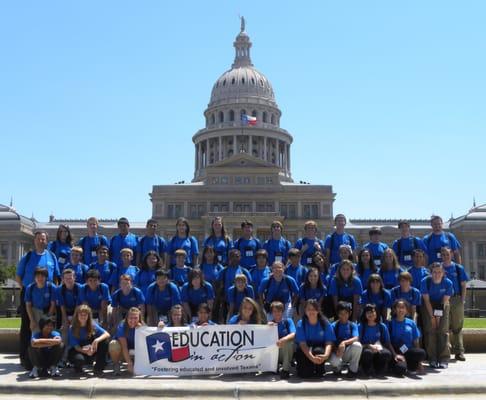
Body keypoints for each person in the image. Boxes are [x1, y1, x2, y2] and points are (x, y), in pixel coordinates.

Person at [16, 230, 60, 369]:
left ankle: (47, 359)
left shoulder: (51, 256)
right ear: (34, 240)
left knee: (48, 328)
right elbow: (18, 276)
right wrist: (27, 290)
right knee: (27, 328)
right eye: (38, 239)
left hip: (48, 299)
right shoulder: (28, 256)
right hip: (30, 297)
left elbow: (56, 277)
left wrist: (54, 292)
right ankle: (25, 358)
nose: (41, 241)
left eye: (43, 239)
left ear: (47, 241)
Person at [420, 263, 453, 369]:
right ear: (431, 273)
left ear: (443, 273)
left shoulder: (448, 283)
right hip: (429, 305)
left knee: (443, 330)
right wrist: (432, 317)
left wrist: (438, 317)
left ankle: (443, 358)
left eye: (439, 272)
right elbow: (426, 300)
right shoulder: (425, 281)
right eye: (434, 272)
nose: (437, 274)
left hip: (442, 304)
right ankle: (432, 358)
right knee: (430, 330)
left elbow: (444, 301)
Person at [440, 246, 468, 361]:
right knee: (444, 327)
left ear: (451, 255)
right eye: (443, 255)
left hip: (456, 299)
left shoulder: (458, 268)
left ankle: (459, 352)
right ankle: (445, 352)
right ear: (441, 256)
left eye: (447, 254)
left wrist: (462, 300)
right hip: (443, 299)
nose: (446, 256)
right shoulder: (438, 268)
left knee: (457, 326)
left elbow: (463, 285)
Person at [294, 299, 335, 378]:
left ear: (318, 311)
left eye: (313, 309)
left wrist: (326, 355)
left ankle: (319, 369)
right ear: (305, 311)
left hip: (319, 348)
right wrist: (311, 358)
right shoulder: (301, 323)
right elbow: (302, 344)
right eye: (308, 309)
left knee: (319, 351)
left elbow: (329, 342)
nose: (311, 312)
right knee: (305, 374)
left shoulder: (325, 323)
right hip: (305, 349)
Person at [68, 305, 111, 375]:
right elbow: (76, 347)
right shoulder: (72, 328)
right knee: (79, 360)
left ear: (88, 316)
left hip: (90, 349)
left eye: (85, 315)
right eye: (81, 314)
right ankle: (78, 368)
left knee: (105, 341)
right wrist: (86, 352)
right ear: (77, 316)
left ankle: (98, 368)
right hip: (78, 351)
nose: (83, 317)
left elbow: (107, 334)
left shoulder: (92, 324)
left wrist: (96, 340)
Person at [388, 299, 426, 376]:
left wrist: (419, 362)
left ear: (406, 310)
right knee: (400, 369)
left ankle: (411, 364)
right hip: (396, 351)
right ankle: (400, 364)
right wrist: (395, 354)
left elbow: (416, 341)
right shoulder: (390, 323)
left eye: (403, 307)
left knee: (421, 353)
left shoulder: (411, 323)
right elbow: (388, 342)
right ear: (395, 310)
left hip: (408, 351)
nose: (400, 309)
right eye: (398, 307)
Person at [217, 249, 252, 321]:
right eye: (232, 256)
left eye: (237, 256)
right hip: (227, 303)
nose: (234, 258)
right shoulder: (223, 271)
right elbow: (217, 285)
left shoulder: (244, 271)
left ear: (240, 257)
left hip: (244, 305)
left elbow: (249, 285)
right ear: (229, 258)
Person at [358, 303, 392, 377]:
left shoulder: (382, 326)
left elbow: (387, 342)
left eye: (373, 312)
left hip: (378, 349)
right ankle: (366, 369)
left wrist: (378, 347)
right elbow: (357, 343)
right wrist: (369, 346)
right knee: (368, 353)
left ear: (376, 313)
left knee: (387, 354)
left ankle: (378, 369)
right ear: (365, 314)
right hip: (365, 350)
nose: (371, 314)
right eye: (368, 312)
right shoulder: (361, 326)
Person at [330, 301, 362, 378]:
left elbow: (356, 338)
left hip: (348, 351)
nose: (343, 316)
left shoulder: (353, 325)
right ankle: (337, 368)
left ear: (349, 313)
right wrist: (336, 350)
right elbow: (330, 341)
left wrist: (344, 343)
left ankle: (352, 370)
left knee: (358, 345)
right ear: (337, 314)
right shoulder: (334, 325)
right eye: (341, 313)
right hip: (337, 351)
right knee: (335, 361)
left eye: (345, 313)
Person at [56, 268, 81, 365]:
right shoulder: (59, 289)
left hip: (77, 313)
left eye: (70, 278)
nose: (69, 280)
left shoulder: (79, 288)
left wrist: (74, 320)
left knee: (76, 334)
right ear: (62, 279)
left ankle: (73, 359)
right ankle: (62, 359)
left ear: (74, 278)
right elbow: (61, 306)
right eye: (66, 278)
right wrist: (65, 321)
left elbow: (78, 306)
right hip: (65, 313)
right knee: (64, 335)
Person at [109, 307, 143, 375]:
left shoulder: (142, 326)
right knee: (113, 344)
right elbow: (124, 347)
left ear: (139, 318)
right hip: (122, 351)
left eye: (135, 318)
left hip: (135, 352)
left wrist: (142, 329)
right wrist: (129, 364)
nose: (133, 320)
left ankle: (136, 363)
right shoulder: (122, 327)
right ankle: (116, 364)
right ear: (127, 318)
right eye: (131, 318)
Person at [268, 301, 296, 379]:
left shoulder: (288, 321)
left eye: (279, 311)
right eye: (274, 311)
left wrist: (283, 339)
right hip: (274, 352)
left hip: (285, 351)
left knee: (288, 342)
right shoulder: (269, 324)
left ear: (282, 311)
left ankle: (285, 370)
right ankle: (273, 366)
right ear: (271, 312)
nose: (277, 313)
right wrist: (266, 328)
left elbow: (293, 334)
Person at [25, 267, 57, 334]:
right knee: (36, 333)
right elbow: (28, 305)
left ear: (46, 277)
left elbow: (53, 304)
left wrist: (48, 318)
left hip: (48, 311)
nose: (40, 278)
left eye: (42, 276)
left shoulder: (51, 287)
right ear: (34, 277)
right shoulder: (30, 288)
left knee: (49, 333)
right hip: (35, 311)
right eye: (37, 276)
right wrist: (32, 320)